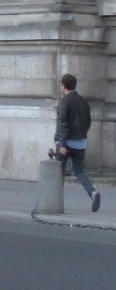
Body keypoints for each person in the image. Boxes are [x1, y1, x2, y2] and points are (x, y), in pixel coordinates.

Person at [52, 73, 99, 212]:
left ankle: (54, 202)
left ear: (63, 86)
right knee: (79, 171)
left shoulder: (65, 102)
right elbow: (88, 122)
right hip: (81, 142)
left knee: (57, 172)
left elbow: (62, 124)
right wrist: (81, 136)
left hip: (67, 143)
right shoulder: (83, 101)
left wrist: (61, 144)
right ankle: (93, 193)